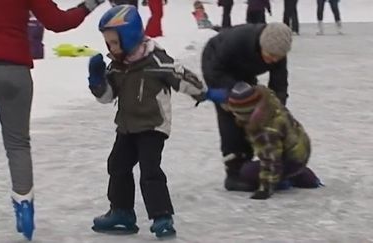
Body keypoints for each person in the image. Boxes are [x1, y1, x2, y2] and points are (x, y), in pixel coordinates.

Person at [0, 0, 105, 241]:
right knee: (18, 145)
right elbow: (58, 22)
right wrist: (89, 5)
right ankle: (25, 213)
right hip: (15, 71)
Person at [88, 5, 206, 238]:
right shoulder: (118, 66)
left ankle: (162, 217)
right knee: (117, 165)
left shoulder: (156, 61)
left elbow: (181, 75)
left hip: (153, 126)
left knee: (150, 171)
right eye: (108, 43)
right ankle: (122, 212)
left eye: (113, 42)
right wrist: (97, 80)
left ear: (129, 37)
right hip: (127, 126)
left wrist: (202, 91)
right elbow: (107, 97)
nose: (110, 48)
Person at [201, 22, 292, 192]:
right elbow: (214, 69)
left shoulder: (278, 52)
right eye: (270, 55)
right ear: (261, 45)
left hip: (244, 72)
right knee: (231, 112)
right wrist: (231, 91)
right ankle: (233, 173)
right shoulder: (238, 40)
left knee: (254, 114)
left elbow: (279, 85)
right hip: (216, 65)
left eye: (277, 58)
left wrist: (277, 111)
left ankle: (248, 164)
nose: (273, 60)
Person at [224, 82, 322, 200]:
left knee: (247, 171)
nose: (234, 116)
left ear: (246, 113)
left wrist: (265, 188)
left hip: (291, 160)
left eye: (236, 113)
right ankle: (301, 173)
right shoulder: (268, 101)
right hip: (300, 148)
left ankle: (286, 179)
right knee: (289, 161)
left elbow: (271, 160)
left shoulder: (266, 130)